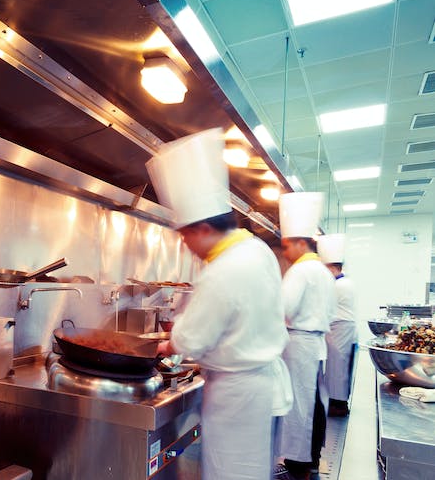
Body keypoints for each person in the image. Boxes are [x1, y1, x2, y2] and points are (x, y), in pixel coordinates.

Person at [147, 128, 292, 480]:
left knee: (230, 473)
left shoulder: (224, 270)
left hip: (234, 394)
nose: (185, 246)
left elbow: (191, 342)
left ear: (201, 229)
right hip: (256, 386)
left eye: (184, 236)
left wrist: (168, 344)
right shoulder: (255, 250)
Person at [274, 193, 336, 480]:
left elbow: (281, 309)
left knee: (298, 406)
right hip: (313, 343)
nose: (285, 252)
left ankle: (298, 466)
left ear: (301, 242)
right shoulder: (322, 271)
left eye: (286, 246)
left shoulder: (301, 270)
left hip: (299, 342)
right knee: (312, 402)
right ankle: (310, 460)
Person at [318, 234, 357, 417]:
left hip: (340, 328)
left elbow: (324, 308)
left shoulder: (339, 285)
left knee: (337, 368)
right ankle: (337, 402)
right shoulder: (343, 282)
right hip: (340, 329)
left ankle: (338, 405)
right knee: (337, 367)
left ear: (333, 267)